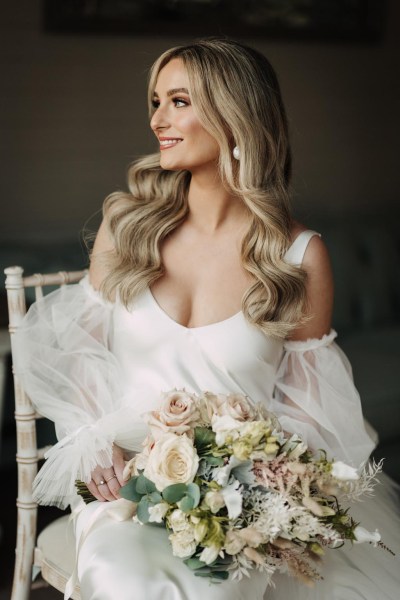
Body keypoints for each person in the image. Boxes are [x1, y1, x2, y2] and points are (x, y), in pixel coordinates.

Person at [13, 38, 399, 600]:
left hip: (242, 501)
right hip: (124, 493)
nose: (157, 120)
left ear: (234, 113)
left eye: (178, 101)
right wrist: (95, 442)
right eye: (155, 101)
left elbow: (313, 411)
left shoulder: (298, 255)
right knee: (136, 582)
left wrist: (258, 490)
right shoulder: (127, 229)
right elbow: (77, 357)